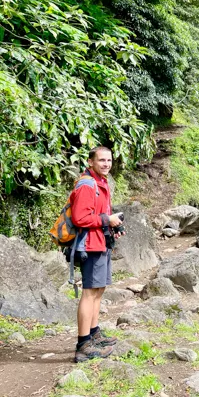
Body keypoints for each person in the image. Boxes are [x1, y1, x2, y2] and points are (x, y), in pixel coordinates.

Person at [70, 146, 124, 362]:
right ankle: (83, 344)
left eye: (109, 160)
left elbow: (99, 214)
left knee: (98, 290)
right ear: (90, 162)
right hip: (89, 246)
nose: (106, 164)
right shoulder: (87, 185)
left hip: (101, 242)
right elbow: (79, 218)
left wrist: (113, 226)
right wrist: (106, 220)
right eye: (101, 160)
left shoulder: (102, 182)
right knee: (89, 292)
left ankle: (93, 333)